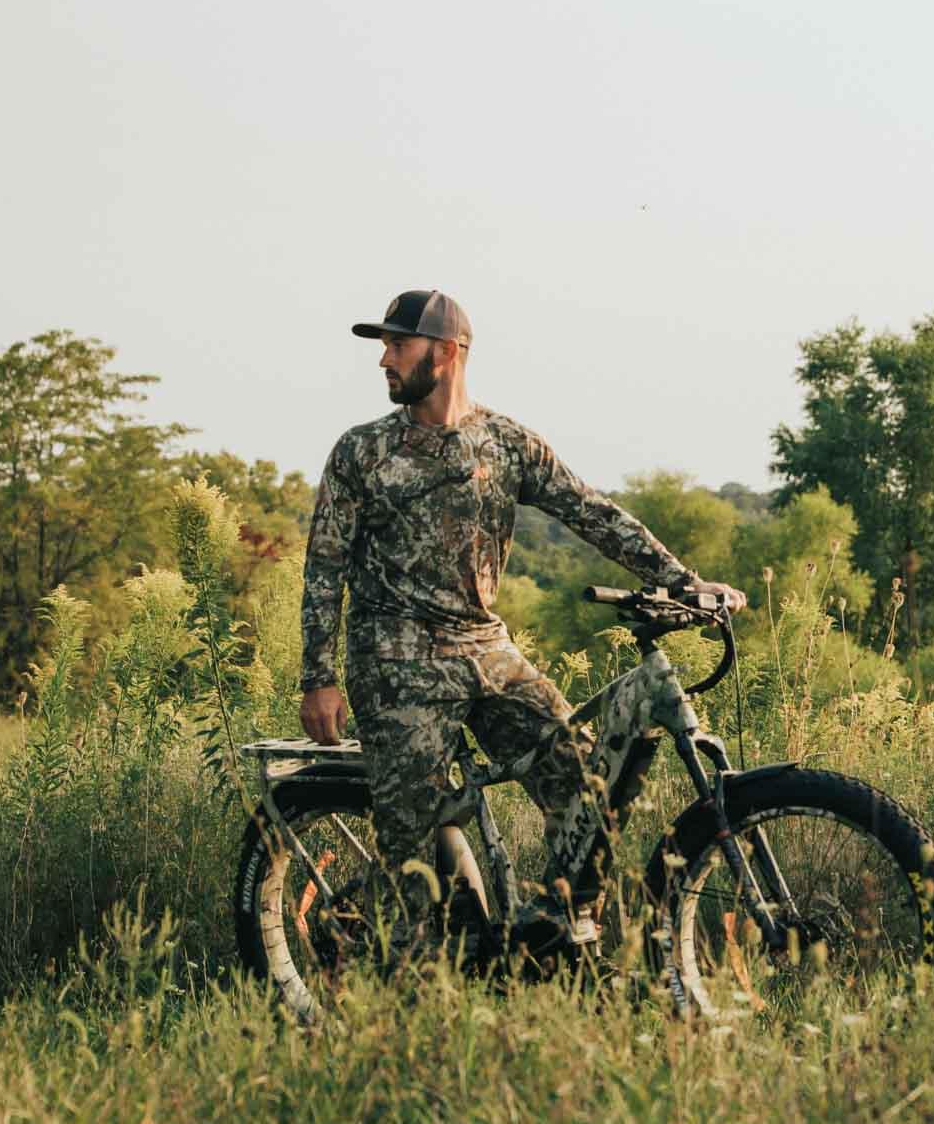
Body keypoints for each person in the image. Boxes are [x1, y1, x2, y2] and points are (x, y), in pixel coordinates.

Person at [298, 288, 745, 953]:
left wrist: (681, 582)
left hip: (487, 649)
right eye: (385, 347)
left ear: (447, 352)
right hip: (395, 662)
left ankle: (555, 935)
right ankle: (412, 1013)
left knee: (588, 787)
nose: (385, 361)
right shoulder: (362, 452)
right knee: (414, 864)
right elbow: (324, 567)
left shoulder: (504, 443)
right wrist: (319, 678)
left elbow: (589, 511)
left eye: (398, 345)